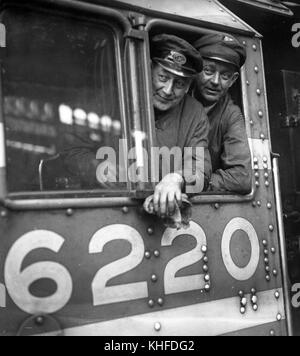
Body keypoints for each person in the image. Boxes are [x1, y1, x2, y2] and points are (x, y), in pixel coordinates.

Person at [149, 34, 211, 218]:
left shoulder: (195, 113)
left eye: (179, 83)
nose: (168, 90)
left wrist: (177, 178)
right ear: (149, 69)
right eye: (162, 77)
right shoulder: (119, 93)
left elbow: (199, 167)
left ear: (188, 86)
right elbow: (76, 151)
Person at [193, 33, 252, 194]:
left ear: (233, 80)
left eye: (225, 76)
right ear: (195, 70)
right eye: (208, 70)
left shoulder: (231, 115)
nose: (215, 81)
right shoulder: (174, 98)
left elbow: (241, 178)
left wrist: (193, 182)